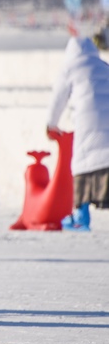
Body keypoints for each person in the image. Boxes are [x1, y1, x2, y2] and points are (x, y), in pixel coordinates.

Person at [46, 35, 109, 231]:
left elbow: (58, 98)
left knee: (82, 162)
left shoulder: (71, 67)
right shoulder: (104, 66)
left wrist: (51, 125)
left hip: (87, 122)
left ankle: (81, 217)